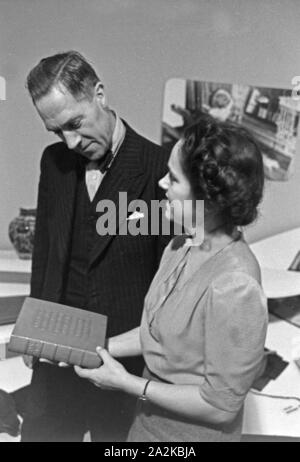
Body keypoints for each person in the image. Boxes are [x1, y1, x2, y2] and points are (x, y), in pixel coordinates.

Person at [75, 114, 268, 442]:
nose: (162, 183)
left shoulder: (236, 285)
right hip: (146, 428)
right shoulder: (180, 245)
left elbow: (220, 405)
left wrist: (125, 382)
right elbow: (159, 334)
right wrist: (97, 348)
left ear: (206, 201)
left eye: (174, 179)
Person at [21, 51, 170, 442]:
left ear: (99, 94)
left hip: (123, 364)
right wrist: (33, 325)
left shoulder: (164, 168)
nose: (69, 142)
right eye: (57, 132)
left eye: (74, 124)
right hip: (56, 355)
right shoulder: (53, 162)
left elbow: (175, 285)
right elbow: (45, 253)